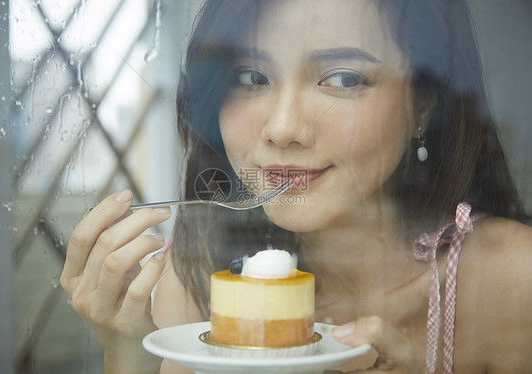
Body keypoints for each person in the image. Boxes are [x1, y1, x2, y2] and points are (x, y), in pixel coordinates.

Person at [60, 0, 532, 372]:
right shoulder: (195, 281)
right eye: (250, 77)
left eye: (344, 79)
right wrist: (128, 357)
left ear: (424, 106)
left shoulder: (512, 281)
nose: (283, 129)